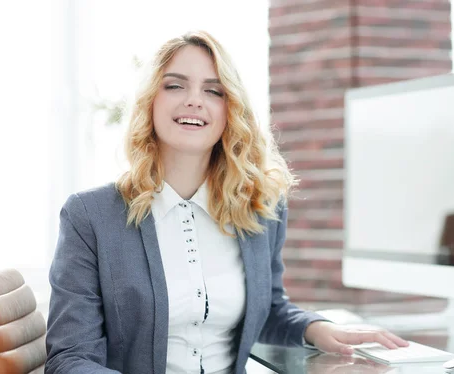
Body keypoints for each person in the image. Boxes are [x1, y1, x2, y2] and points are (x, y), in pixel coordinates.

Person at [45, 30, 408, 374]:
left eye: (213, 90)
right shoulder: (90, 217)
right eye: (174, 85)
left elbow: (267, 308)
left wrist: (315, 328)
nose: (194, 100)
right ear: (150, 102)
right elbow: (70, 358)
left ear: (229, 109)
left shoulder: (261, 209)